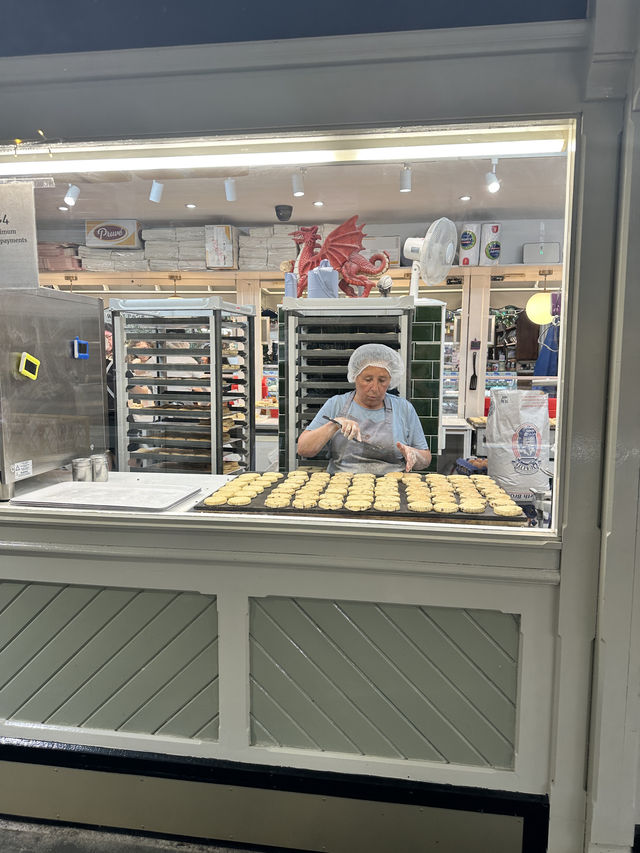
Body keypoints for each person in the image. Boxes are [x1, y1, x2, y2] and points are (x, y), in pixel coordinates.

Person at [297, 343, 431, 474]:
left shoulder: (403, 408)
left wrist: (415, 455)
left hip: (392, 485)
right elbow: (303, 449)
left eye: (382, 380)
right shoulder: (336, 404)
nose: (374, 388)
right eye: (367, 379)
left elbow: (425, 459)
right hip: (342, 483)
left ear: (390, 380)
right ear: (355, 377)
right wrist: (333, 425)